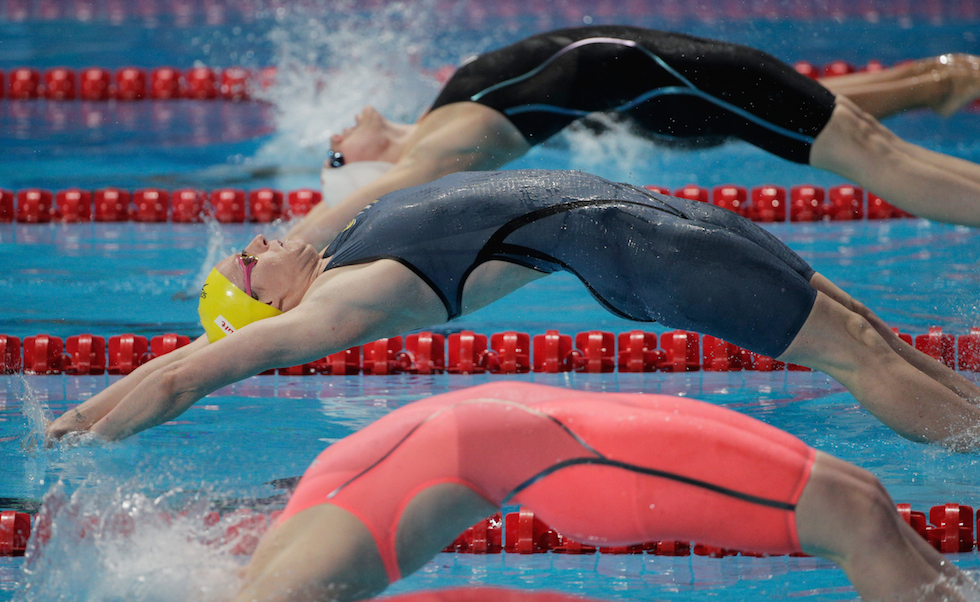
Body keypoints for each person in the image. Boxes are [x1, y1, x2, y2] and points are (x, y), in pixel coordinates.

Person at [45, 169, 980, 447]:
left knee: (864, 331)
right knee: (855, 358)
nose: (253, 247)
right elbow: (195, 370)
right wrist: (77, 434)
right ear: (272, 310)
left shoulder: (343, 246)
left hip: (654, 219)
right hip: (652, 253)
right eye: (246, 271)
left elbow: (183, 352)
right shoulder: (343, 302)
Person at [231, 382, 977, 602]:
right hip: (559, 452)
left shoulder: (285, 572)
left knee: (865, 501)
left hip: (540, 426)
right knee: (856, 513)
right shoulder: (289, 572)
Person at [286, 26, 980, 249]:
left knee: (864, 142)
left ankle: (939, 83)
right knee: (883, 160)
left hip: (682, 88)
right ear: (368, 174)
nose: (336, 133)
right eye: (336, 157)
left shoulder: (447, 116)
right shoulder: (447, 145)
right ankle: (946, 82)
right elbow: (378, 201)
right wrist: (284, 255)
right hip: (695, 82)